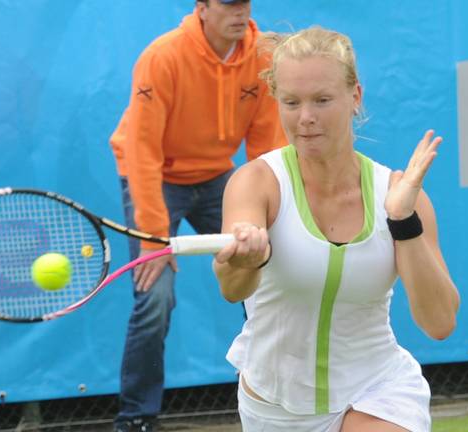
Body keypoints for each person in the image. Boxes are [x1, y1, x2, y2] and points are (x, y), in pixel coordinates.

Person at [213, 27, 460, 432]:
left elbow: (440, 323)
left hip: (376, 389)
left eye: (322, 100)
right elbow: (232, 289)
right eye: (291, 102)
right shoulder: (257, 183)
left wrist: (403, 222)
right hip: (275, 410)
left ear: (355, 97)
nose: (305, 117)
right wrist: (248, 259)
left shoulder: (397, 195)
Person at [108, 1, 286, 431]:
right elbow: (142, 150)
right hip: (155, 179)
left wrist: (273, 213)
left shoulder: (263, 56)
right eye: (226, 4)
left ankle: (279, 399)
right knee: (156, 296)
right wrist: (153, 238)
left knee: (275, 277)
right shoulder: (163, 56)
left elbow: (265, 146)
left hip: (217, 177)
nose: (238, 12)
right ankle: (136, 419)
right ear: (202, 9)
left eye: (243, 3)